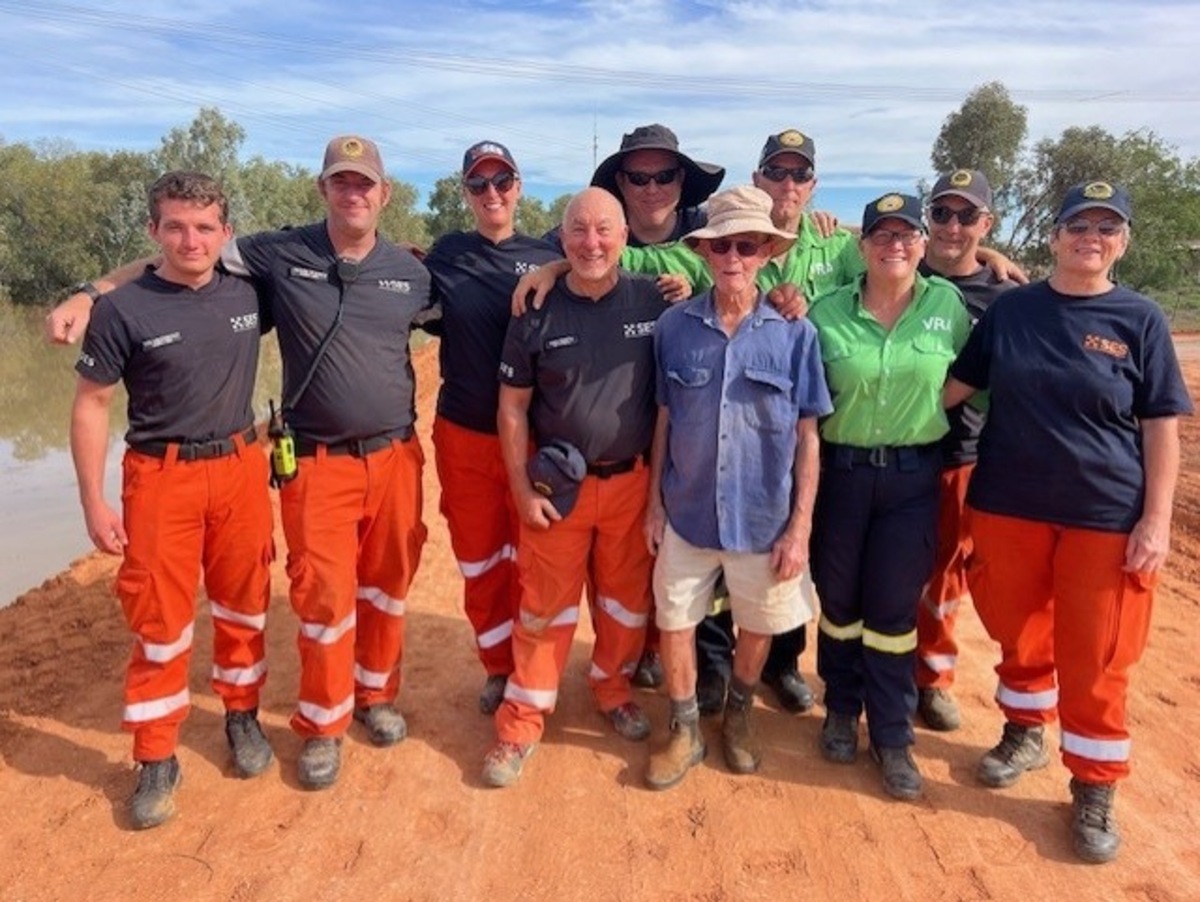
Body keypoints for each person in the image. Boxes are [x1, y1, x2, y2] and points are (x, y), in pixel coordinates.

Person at [48, 135, 434, 791]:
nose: (353, 193)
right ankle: (315, 726)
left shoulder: (411, 272)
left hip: (384, 457)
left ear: (385, 193)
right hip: (305, 461)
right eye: (341, 181)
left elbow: (480, 313)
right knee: (319, 599)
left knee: (376, 590)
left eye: (364, 182)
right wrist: (90, 291)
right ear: (322, 189)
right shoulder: (274, 257)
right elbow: (173, 262)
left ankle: (367, 698)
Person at [944, 181, 1192, 863]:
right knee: (1018, 632)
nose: (1091, 238)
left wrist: (1156, 521)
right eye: (1079, 225)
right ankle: (1024, 732)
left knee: (1098, 655)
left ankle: (1094, 782)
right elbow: (954, 387)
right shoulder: (1012, 309)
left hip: (1103, 515)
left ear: (1123, 243)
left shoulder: (1140, 319)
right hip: (1007, 503)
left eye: (1107, 228)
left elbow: (1161, 427)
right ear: (1054, 236)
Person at [69, 171, 274, 829]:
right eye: (176, 227)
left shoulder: (250, 292)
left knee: (245, 602)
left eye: (205, 227)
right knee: (160, 620)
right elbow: (92, 405)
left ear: (226, 233)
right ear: (153, 230)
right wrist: (93, 501)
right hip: (161, 477)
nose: (192, 240)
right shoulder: (123, 310)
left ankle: (241, 716)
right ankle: (156, 754)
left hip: (241, 467)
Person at [643, 185, 830, 789]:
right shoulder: (673, 327)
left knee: (760, 623)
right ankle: (684, 728)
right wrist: (653, 505)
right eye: (721, 246)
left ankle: (740, 715)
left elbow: (808, 437)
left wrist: (800, 527)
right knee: (675, 620)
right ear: (703, 251)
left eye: (747, 246)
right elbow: (664, 420)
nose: (733, 258)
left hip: (763, 518)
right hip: (688, 511)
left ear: (767, 253)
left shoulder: (797, 335)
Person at [484, 187, 665, 787]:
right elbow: (512, 408)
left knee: (624, 602)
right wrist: (520, 490)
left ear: (624, 237)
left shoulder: (654, 300)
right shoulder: (534, 308)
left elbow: (731, 282)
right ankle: (521, 720)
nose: (592, 243)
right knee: (543, 607)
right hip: (557, 490)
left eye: (604, 230)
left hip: (631, 484)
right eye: (579, 231)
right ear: (561, 240)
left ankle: (613, 689)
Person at [808, 193, 970, 801]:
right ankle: (841, 708)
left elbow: (971, 378)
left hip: (911, 478)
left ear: (922, 245)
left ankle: (893, 734)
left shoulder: (946, 306)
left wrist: (924, 410)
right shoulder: (826, 313)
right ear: (863, 246)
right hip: (842, 475)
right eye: (882, 235)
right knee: (839, 601)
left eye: (906, 235)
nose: (894, 245)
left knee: (894, 611)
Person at [423, 141, 563, 715]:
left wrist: (557, 266)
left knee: (535, 558)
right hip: (463, 433)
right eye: (478, 184)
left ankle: (533, 667)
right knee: (481, 560)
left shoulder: (549, 254)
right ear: (466, 194)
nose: (492, 193)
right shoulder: (447, 254)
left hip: (534, 435)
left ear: (519, 187)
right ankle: (498, 666)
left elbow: (604, 267)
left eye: (502, 181)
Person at [914, 169, 1018, 732]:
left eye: (967, 216)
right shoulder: (897, 269)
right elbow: (862, 235)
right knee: (882, 567)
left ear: (987, 223)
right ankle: (870, 671)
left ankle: (932, 678)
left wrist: (994, 259)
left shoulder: (1008, 298)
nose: (952, 226)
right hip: (896, 450)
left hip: (962, 454)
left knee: (946, 573)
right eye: (941, 213)